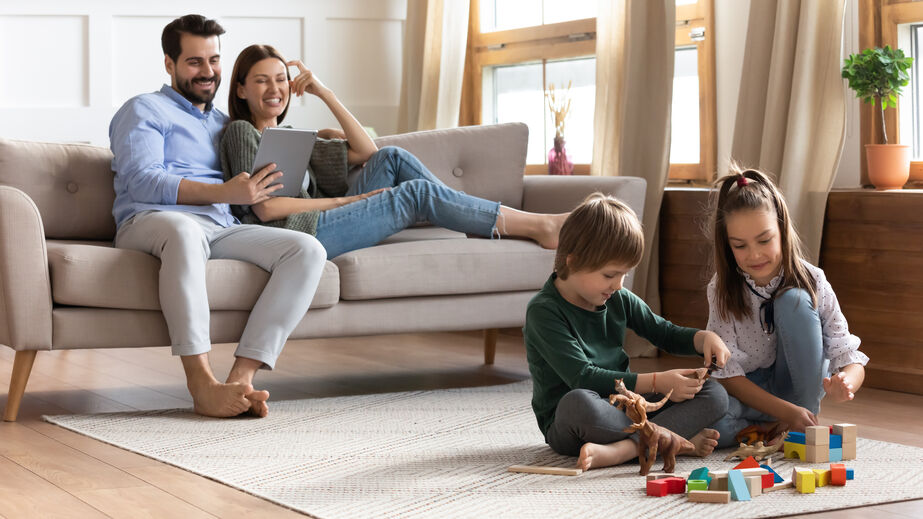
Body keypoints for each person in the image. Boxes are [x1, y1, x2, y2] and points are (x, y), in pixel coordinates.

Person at [109, 15, 327, 418]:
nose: (208, 72)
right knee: (184, 232)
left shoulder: (225, 123)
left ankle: (242, 377)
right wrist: (225, 192)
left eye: (214, 60)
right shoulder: (144, 109)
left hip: (220, 226)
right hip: (153, 220)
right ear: (169, 64)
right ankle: (201, 383)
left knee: (307, 250)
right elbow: (142, 180)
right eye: (194, 62)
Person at [218, 44, 568, 258]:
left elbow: (369, 151)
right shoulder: (241, 131)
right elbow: (265, 208)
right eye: (262, 80)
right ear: (242, 90)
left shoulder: (294, 138)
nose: (274, 88)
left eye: (281, 79)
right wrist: (346, 202)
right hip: (297, 232)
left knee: (392, 156)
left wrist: (326, 94)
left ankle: (481, 221)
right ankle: (539, 225)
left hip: (319, 220)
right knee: (414, 194)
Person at [523, 193, 731, 471]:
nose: (619, 285)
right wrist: (658, 381)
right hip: (574, 421)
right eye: (610, 275)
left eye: (625, 274)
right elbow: (583, 377)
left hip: (628, 409)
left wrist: (705, 338)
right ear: (572, 261)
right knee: (578, 402)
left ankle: (628, 449)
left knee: (714, 394)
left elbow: (664, 333)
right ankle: (666, 438)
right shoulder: (544, 311)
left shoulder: (617, 298)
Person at [705, 166, 869, 448]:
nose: (754, 254)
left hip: (796, 389)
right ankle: (781, 426)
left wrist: (847, 383)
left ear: (781, 230)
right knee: (709, 423)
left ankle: (801, 422)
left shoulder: (813, 278)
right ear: (727, 245)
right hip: (751, 394)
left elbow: (848, 354)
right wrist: (785, 412)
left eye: (764, 240)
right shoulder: (721, 288)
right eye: (740, 245)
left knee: (794, 300)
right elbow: (728, 375)